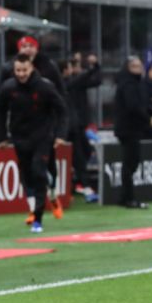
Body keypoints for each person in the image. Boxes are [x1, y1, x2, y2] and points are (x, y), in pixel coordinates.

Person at [0, 54, 68, 233]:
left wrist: (60, 134)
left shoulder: (45, 86)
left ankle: (38, 218)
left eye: (24, 70)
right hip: (20, 137)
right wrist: (1, 136)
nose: (21, 74)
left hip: (42, 136)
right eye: (18, 70)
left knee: (38, 171)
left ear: (32, 68)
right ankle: (34, 207)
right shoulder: (8, 87)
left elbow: (62, 110)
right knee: (27, 174)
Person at [113, 56, 152, 209]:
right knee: (130, 163)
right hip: (128, 128)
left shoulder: (136, 84)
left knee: (131, 163)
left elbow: (140, 103)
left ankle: (126, 197)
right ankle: (128, 198)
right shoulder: (128, 84)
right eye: (134, 66)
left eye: (140, 65)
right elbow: (133, 106)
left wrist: (151, 110)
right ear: (128, 68)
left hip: (133, 128)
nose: (139, 68)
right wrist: (149, 119)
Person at [63, 52, 101, 199]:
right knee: (76, 155)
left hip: (78, 124)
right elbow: (82, 78)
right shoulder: (65, 83)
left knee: (84, 153)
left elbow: (96, 81)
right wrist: (91, 68)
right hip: (68, 126)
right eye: (74, 66)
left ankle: (80, 182)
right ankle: (80, 184)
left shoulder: (78, 82)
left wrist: (94, 67)